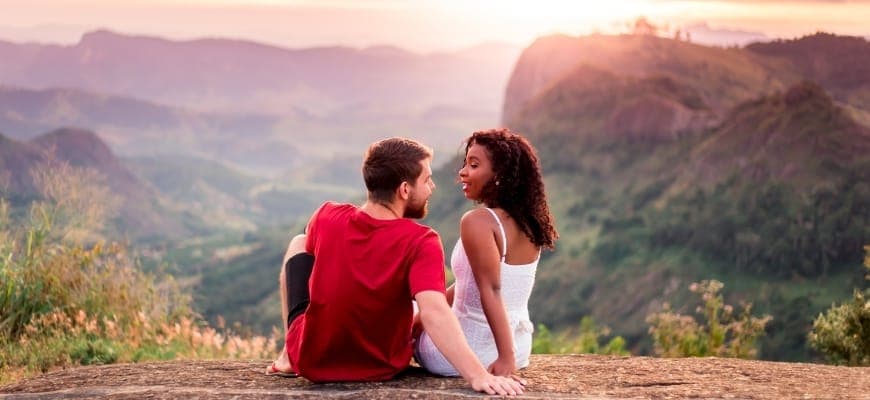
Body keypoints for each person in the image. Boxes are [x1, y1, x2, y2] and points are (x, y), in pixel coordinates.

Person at [266, 137, 525, 396]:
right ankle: (291, 352)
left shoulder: (326, 216)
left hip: (311, 361)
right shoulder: (421, 240)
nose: (432, 187)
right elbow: (435, 313)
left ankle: (290, 354)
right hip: (382, 365)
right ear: (404, 190)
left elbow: (311, 259)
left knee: (299, 243)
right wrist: (477, 375)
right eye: (426, 180)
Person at [414, 128, 558, 378]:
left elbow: (491, 289)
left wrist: (505, 358)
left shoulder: (478, 221)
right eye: (465, 163)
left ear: (499, 174)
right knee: (421, 309)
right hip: (520, 348)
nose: (462, 172)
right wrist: (511, 354)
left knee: (406, 307)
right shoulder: (528, 221)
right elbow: (467, 285)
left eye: (474, 164)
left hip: (464, 352)